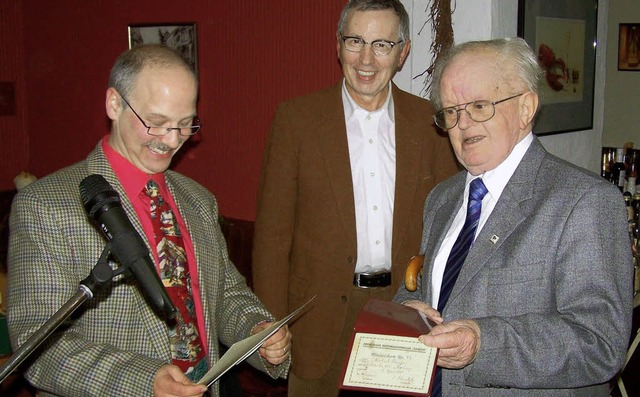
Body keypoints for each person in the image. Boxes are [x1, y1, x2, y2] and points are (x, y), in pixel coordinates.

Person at [7, 44, 291, 397]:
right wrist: (144, 381)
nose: (172, 141)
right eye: (156, 124)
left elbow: (223, 293)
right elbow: (39, 346)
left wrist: (256, 328)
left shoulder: (197, 200)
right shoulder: (47, 205)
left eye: (185, 125)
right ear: (114, 104)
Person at [394, 37, 634, 396]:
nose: (463, 124)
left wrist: (482, 343)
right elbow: (426, 293)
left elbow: (599, 344)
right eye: (451, 111)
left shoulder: (585, 202)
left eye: (478, 105)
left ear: (526, 108)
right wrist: (405, 313)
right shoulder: (442, 198)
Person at [251, 1, 458, 396]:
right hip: (317, 319)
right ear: (338, 45)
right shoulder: (297, 121)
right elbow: (273, 238)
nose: (366, 59)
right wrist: (270, 325)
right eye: (355, 41)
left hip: (404, 311)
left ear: (403, 52)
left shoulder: (432, 123)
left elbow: (449, 226)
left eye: (382, 44)